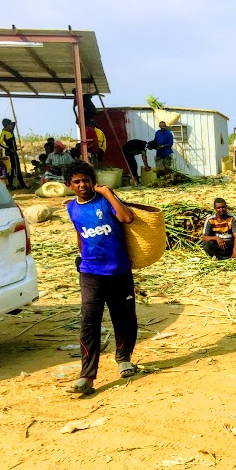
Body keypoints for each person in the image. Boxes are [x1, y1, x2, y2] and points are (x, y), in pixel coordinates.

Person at [63, 161, 137, 395]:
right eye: (77, 181)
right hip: (90, 272)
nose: (82, 185)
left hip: (119, 270)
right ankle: (87, 376)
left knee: (123, 317)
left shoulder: (105, 200)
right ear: (69, 185)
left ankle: (123, 358)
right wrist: (81, 255)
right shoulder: (71, 208)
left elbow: (127, 218)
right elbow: (80, 232)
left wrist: (107, 192)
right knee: (89, 322)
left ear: (92, 180)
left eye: (86, 180)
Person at [0, 118, 26, 189]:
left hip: (14, 152)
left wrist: (14, 121)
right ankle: (10, 184)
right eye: (10, 125)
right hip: (9, 153)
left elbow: (14, 123)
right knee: (10, 169)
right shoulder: (4, 133)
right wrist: (9, 148)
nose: (11, 126)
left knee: (18, 168)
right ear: (7, 125)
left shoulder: (11, 131)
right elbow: (0, 143)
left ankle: (22, 184)